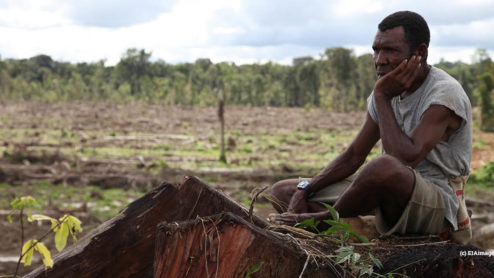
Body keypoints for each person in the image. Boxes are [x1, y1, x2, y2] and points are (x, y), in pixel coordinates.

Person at [269, 11, 472, 243]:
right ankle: (352, 234)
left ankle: (325, 219)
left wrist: (382, 96)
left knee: (383, 165)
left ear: (420, 52)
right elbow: (354, 155)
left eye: (391, 51)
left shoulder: (444, 94)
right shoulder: (387, 90)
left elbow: (404, 160)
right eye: (376, 50)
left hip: (436, 202)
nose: (379, 60)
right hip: (388, 194)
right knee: (283, 191)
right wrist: (305, 188)